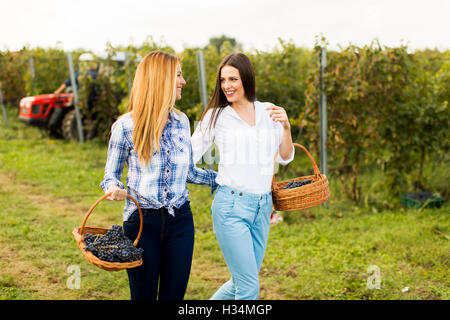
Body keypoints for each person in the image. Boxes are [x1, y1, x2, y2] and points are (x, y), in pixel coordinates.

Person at [99, 51, 218, 300]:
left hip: (180, 221)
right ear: (160, 78)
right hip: (142, 223)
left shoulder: (182, 121)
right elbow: (111, 174)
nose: (183, 81)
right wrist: (113, 188)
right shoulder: (126, 126)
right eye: (178, 75)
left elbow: (189, 172)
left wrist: (224, 179)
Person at [191, 52, 295, 300]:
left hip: (262, 207)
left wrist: (286, 126)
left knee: (242, 283)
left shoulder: (269, 111)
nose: (226, 85)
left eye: (233, 79)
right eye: (223, 80)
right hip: (231, 207)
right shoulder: (216, 117)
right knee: (248, 288)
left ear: (246, 78)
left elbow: (285, 156)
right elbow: (187, 153)